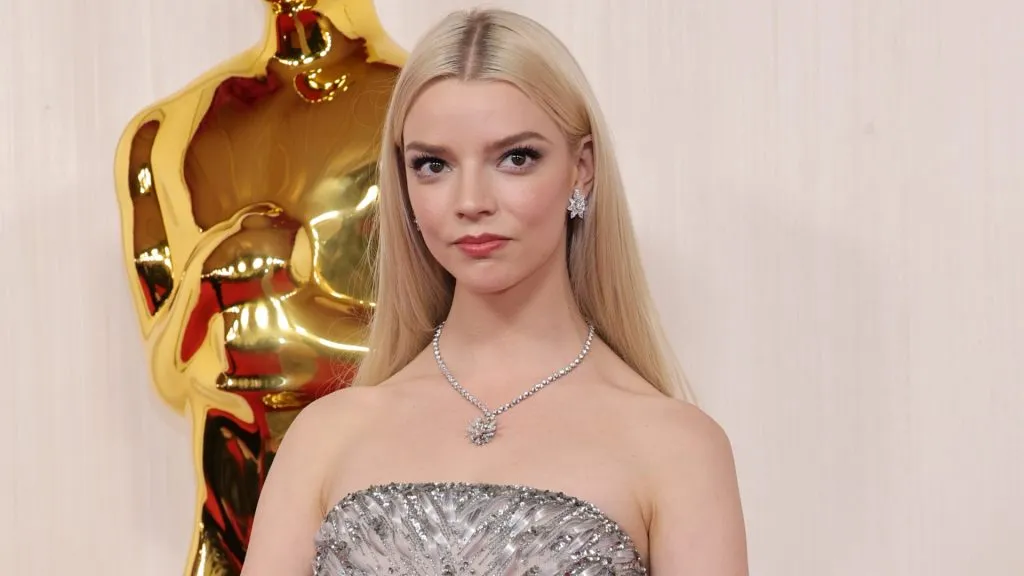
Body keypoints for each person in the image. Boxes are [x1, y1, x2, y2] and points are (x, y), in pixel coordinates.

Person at [241, 7, 748, 575]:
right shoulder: (326, 437)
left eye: (515, 158)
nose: (471, 200)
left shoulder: (677, 448)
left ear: (581, 169)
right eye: (434, 164)